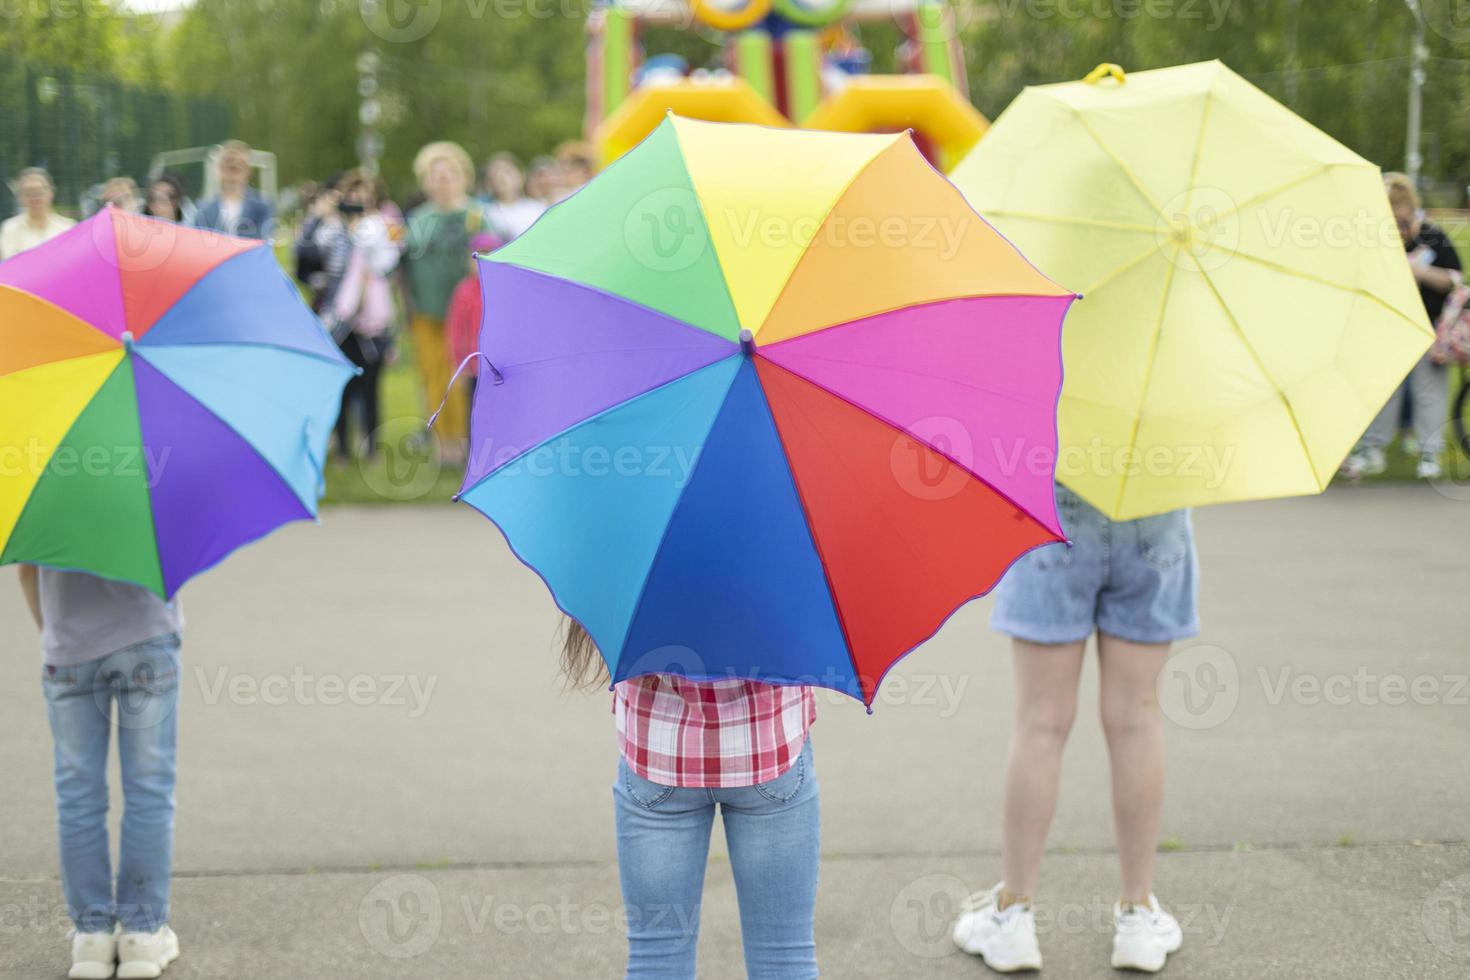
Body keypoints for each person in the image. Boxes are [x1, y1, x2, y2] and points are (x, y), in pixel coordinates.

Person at [951, 485, 1195, 973]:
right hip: (1154, 506)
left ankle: (1014, 916)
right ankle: (1137, 914)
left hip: (1055, 504)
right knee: (1137, 719)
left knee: (1041, 723)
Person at [560, 622, 820, 979]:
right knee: (785, 959)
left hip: (658, 756)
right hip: (768, 751)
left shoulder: (640, 565)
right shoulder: (783, 565)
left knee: (657, 957)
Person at [18, 566, 184, 979]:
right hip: (148, 639)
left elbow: (26, 572)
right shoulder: (150, 495)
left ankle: (91, 938)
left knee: (77, 796)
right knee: (149, 790)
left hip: (69, 650)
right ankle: (142, 936)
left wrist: (54, 633)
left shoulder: (43, 501)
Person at [1341, 173, 1464, 481]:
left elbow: (1454, 279)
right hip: (1385, 329)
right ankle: (1372, 450)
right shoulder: (1372, 241)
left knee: (1429, 391)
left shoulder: (1432, 235)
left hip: (1429, 328)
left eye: (1402, 214)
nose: (1398, 222)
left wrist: (1417, 271)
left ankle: (1429, 453)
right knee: (1381, 392)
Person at [402, 141, 484, 463]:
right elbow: (404, 266)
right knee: (433, 376)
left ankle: (465, 442)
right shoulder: (418, 219)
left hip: (467, 317)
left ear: (463, 177)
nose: (443, 181)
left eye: (449, 174)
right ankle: (442, 444)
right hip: (427, 311)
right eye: (436, 175)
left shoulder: (476, 215)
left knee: (463, 377)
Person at [315, 171, 402, 460]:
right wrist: (325, 218)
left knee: (371, 386)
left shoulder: (381, 227)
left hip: (372, 318)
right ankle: (342, 449)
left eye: (366, 197)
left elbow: (389, 263)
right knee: (341, 385)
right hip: (338, 319)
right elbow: (312, 260)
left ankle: (372, 448)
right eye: (353, 196)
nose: (359, 203)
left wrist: (368, 239)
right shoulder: (330, 228)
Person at [445, 231, 502, 416]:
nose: (482, 261)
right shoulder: (464, 291)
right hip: (474, 369)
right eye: (478, 256)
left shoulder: (505, 290)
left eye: (489, 254)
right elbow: (457, 329)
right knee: (476, 415)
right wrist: (459, 363)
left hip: (501, 367)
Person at [192, 140, 274, 240]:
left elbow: (264, 243)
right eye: (228, 163)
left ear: (248, 170)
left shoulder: (263, 205)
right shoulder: (203, 208)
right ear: (218, 169)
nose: (233, 165)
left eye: (239, 164)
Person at [2, 167, 75, 259]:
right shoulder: (10, 229)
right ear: (20, 197)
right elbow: (9, 264)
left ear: (51, 192)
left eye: (39, 192)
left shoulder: (68, 228)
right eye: (28, 193)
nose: (34, 198)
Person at [480, 152, 545, 240]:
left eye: (507, 172)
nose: (501, 177)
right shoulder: (486, 213)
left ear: (521, 175)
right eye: (494, 174)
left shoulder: (538, 209)